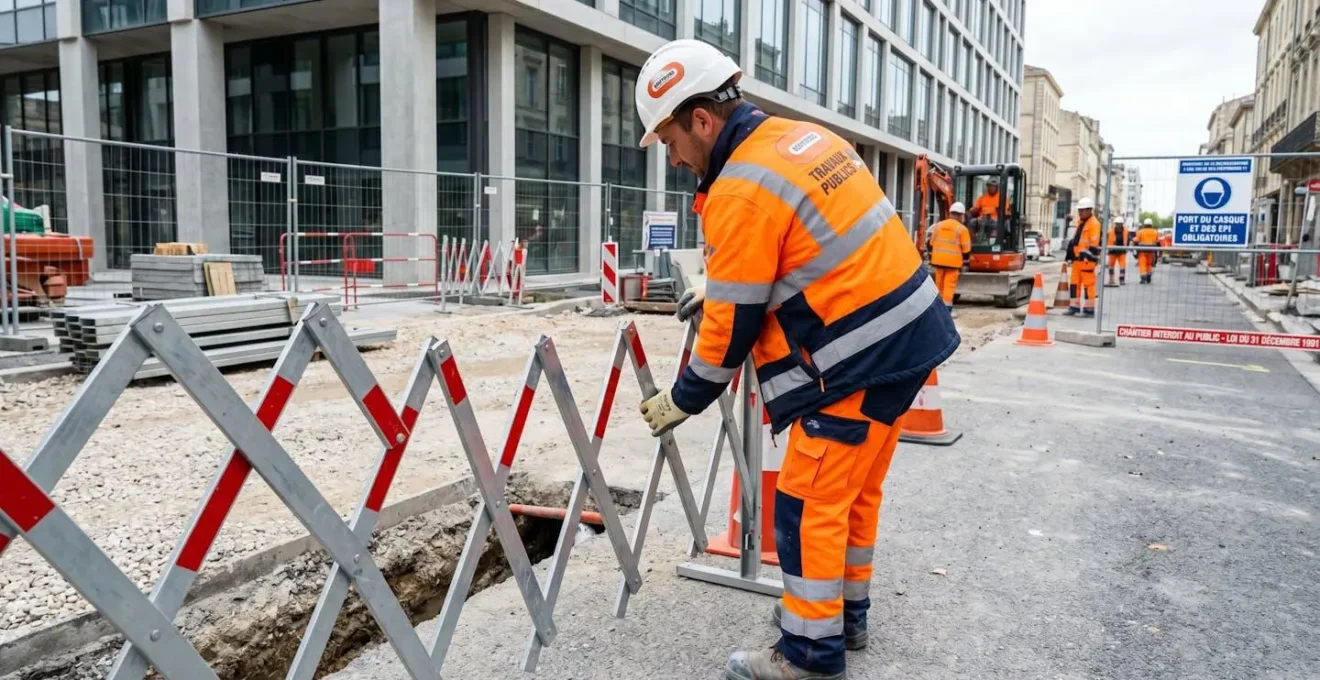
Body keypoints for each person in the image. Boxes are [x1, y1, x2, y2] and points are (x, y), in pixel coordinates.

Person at [633, 39, 960, 680]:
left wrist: (685, 396)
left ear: (701, 119)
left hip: (857, 360)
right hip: (909, 340)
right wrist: (726, 282)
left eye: (670, 140)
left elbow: (730, 329)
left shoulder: (739, 189)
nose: (672, 157)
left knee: (807, 505)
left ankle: (809, 654)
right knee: (852, 495)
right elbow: (805, 247)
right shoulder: (801, 140)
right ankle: (845, 618)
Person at [927, 202, 972, 316]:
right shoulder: (962, 229)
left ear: (950, 213)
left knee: (939, 285)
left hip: (938, 261)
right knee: (949, 286)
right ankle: (947, 311)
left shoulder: (938, 226)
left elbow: (931, 243)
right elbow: (966, 249)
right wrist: (966, 263)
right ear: (961, 215)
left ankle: (937, 309)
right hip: (953, 263)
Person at [1064, 198, 1102, 316]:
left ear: (1089, 210)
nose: (1080, 212)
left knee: (1088, 285)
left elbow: (1094, 244)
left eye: (1082, 210)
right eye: (1079, 210)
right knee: (1074, 283)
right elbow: (1077, 240)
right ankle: (1074, 307)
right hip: (1078, 259)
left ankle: (1089, 309)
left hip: (1087, 260)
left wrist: (1087, 257)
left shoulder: (1094, 224)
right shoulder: (1081, 222)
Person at [1134, 218, 1160, 284]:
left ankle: (1143, 279)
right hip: (1151, 251)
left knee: (1142, 264)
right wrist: (1158, 253)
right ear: (1151, 224)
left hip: (1142, 251)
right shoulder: (1155, 232)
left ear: (1144, 224)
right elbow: (1158, 242)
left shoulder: (1140, 232)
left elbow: (1136, 241)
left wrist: (1135, 252)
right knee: (1149, 264)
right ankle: (1148, 277)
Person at [1105, 215, 1130, 286]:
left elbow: (1128, 240)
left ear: (1122, 224)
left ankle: (1122, 279)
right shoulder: (1111, 231)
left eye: (1119, 224)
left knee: (1122, 266)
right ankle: (1111, 280)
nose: (1118, 225)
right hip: (1112, 251)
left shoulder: (1126, 231)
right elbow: (1107, 240)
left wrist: (1126, 248)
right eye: (1117, 224)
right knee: (1111, 266)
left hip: (1122, 251)